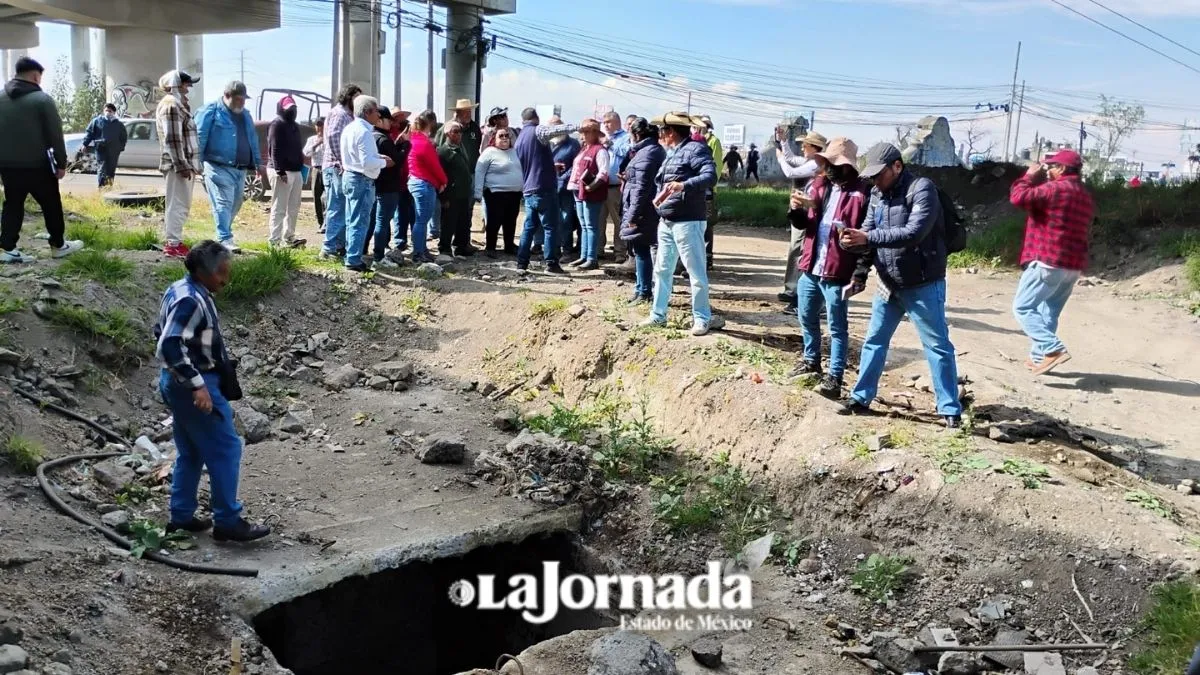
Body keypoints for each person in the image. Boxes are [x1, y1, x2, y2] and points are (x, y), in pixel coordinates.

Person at [838, 143, 963, 429]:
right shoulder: (876, 194)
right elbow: (868, 235)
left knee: (937, 345)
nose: (875, 181)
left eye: (879, 174)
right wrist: (859, 272)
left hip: (922, 283)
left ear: (897, 166)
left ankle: (950, 409)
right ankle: (860, 397)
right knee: (874, 341)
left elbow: (914, 233)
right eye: (871, 176)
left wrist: (867, 238)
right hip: (887, 282)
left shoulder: (922, 189)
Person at [155, 240, 271, 543]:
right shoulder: (191, 301)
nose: (225, 278)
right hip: (195, 384)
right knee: (226, 449)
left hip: (178, 383)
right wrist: (197, 385)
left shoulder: (180, 289)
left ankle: (180, 518)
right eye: (221, 272)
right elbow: (168, 343)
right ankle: (228, 521)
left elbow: (162, 330)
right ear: (205, 272)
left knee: (191, 451)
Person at [787, 138, 871, 399]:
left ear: (847, 166)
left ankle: (835, 376)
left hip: (838, 271)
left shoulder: (862, 194)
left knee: (837, 327)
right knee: (806, 317)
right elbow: (804, 226)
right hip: (811, 266)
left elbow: (868, 239)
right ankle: (811, 360)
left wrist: (860, 273)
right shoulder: (819, 185)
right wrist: (796, 210)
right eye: (825, 162)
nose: (826, 167)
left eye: (832, 163)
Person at [1009, 149, 1094, 375]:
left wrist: (1028, 176)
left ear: (1062, 169)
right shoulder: (1084, 194)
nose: (1047, 171)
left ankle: (1052, 348)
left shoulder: (1055, 189)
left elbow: (1018, 197)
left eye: (1050, 167)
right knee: (1049, 312)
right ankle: (1040, 358)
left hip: (1048, 261)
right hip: (1072, 265)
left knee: (1023, 307)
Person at [640, 112, 722, 336]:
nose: (659, 135)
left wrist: (684, 185)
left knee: (695, 272)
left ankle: (702, 318)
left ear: (671, 132)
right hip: (667, 220)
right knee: (662, 269)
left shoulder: (695, 149)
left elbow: (710, 176)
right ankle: (658, 315)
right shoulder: (672, 153)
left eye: (662, 131)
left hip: (688, 221)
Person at [0, 57, 84, 264]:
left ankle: (8, 248)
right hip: (38, 166)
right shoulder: (42, 99)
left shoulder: (0, 98)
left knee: (12, 205)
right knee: (51, 205)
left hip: (8, 166)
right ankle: (58, 245)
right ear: (36, 76)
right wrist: (62, 164)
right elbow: (55, 134)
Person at [196, 81, 259, 253]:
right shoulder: (210, 111)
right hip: (217, 166)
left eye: (244, 100)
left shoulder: (245, 115)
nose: (241, 103)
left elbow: (252, 139)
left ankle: (222, 234)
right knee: (223, 202)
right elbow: (200, 138)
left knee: (237, 202)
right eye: (238, 99)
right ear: (227, 95)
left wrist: (257, 163)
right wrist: (197, 163)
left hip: (240, 169)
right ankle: (224, 237)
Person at [514, 107, 578, 273]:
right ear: (536, 118)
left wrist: (551, 165)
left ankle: (522, 262)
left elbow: (531, 162)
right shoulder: (537, 130)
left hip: (528, 189)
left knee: (529, 227)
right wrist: (577, 126)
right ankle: (551, 263)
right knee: (550, 227)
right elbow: (554, 130)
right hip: (544, 188)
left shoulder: (520, 137)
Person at [339, 95, 392, 272]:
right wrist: (384, 162)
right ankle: (354, 260)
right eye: (376, 111)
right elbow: (366, 162)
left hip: (351, 176)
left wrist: (378, 157)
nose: (378, 114)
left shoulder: (349, 129)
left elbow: (361, 157)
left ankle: (351, 254)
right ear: (368, 112)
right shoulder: (364, 132)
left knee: (352, 218)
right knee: (360, 221)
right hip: (361, 179)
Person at [154, 69, 201, 259]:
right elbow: (173, 140)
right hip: (177, 166)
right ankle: (172, 244)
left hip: (182, 164)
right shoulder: (171, 105)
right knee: (177, 204)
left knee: (181, 203)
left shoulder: (176, 105)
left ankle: (175, 241)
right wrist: (182, 165)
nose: (188, 90)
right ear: (175, 85)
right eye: (185, 85)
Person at [778, 131, 827, 308]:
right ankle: (794, 291)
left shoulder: (815, 164)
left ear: (815, 148)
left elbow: (790, 171)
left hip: (808, 213)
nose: (802, 147)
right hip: (802, 211)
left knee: (801, 251)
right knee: (796, 250)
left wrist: (780, 159)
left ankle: (800, 296)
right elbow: (791, 158)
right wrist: (783, 142)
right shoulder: (810, 161)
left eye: (805, 145)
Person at [619, 118, 666, 303]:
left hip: (643, 209)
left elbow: (642, 188)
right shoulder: (646, 151)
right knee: (639, 249)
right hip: (640, 207)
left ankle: (645, 291)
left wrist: (633, 214)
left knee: (642, 250)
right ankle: (640, 289)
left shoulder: (648, 153)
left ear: (637, 134)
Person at [319, 83, 363, 260]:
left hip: (341, 167)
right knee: (336, 208)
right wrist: (344, 163)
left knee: (343, 208)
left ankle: (338, 245)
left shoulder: (348, 115)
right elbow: (334, 138)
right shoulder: (339, 114)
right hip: (336, 167)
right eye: (356, 97)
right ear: (348, 96)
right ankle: (328, 248)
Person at [366, 106, 410, 268]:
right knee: (382, 221)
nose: (391, 123)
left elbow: (391, 156)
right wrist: (405, 146)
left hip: (376, 183)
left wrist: (397, 145)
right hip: (388, 186)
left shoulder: (372, 136)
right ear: (380, 120)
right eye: (389, 119)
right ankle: (378, 256)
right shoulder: (383, 139)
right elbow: (397, 161)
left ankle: (365, 251)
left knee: (373, 220)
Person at [567, 119, 610, 271]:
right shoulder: (584, 149)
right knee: (584, 225)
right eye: (582, 132)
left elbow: (604, 172)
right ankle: (584, 255)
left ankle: (592, 258)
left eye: (586, 132)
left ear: (594, 133)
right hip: (579, 191)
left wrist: (592, 186)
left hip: (591, 193)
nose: (583, 135)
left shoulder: (600, 150)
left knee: (591, 226)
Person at [474, 126, 523, 255]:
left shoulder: (515, 151)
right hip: (495, 193)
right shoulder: (489, 152)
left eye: (507, 135)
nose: (505, 138)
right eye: (501, 136)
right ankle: (490, 247)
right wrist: (477, 192)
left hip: (514, 194)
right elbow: (479, 172)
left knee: (511, 221)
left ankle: (509, 246)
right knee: (494, 221)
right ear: (494, 139)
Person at [266, 95, 306, 249]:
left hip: (296, 172)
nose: (292, 111)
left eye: (294, 108)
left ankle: (289, 236)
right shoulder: (277, 124)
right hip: (282, 172)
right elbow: (274, 149)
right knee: (280, 207)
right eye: (289, 109)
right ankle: (274, 241)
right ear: (281, 109)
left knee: (294, 206)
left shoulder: (294, 126)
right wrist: (280, 171)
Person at [406, 110, 445, 265]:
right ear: (431, 124)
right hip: (423, 183)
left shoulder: (413, 140)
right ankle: (418, 253)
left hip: (416, 181)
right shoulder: (424, 143)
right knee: (422, 221)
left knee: (419, 220)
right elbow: (434, 165)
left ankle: (421, 250)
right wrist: (443, 180)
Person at [436, 121, 475, 258]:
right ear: (447, 133)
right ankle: (445, 247)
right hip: (451, 194)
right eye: (455, 131)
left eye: (460, 131)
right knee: (448, 222)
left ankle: (461, 246)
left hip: (463, 193)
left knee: (463, 221)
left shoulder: (460, 148)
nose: (459, 134)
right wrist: (443, 197)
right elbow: (440, 176)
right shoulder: (443, 152)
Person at [599, 111, 631, 264]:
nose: (606, 125)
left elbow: (627, 153)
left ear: (617, 122)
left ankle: (620, 252)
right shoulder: (603, 138)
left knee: (619, 221)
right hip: (600, 185)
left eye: (609, 122)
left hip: (616, 186)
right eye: (604, 122)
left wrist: (610, 145)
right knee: (599, 220)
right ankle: (598, 250)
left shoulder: (626, 137)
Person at [550, 116, 582, 259]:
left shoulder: (573, 144)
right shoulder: (547, 144)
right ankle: (553, 249)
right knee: (552, 220)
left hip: (566, 188)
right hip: (549, 187)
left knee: (566, 219)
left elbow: (576, 166)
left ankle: (567, 250)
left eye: (558, 127)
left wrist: (562, 178)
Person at [82, 103, 127, 188]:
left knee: (111, 170)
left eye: (110, 111)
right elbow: (90, 133)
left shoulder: (119, 124)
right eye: (106, 110)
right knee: (102, 169)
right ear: (103, 111)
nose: (108, 112)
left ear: (114, 112)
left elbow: (123, 137)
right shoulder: (97, 121)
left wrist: (120, 148)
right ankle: (101, 189)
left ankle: (109, 189)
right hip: (101, 149)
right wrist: (85, 144)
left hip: (113, 151)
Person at [435, 98, 483, 170]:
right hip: (453, 174)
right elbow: (440, 150)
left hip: (472, 172)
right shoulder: (447, 128)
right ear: (457, 113)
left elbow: (477, 146)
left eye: (469, 111)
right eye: (465, 112)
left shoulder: (475, 127)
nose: (468, 114)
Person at [303, 117, 326, 233]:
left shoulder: (330, 139)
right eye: (317, 125)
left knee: (327, 198)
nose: (319, 127)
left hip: (327, 169)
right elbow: (306, 153)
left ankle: (327, 222)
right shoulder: (312, 139)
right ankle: (320, 222)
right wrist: (317, 144)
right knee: (316, 196)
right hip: (316, 169)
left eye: (321, 124)